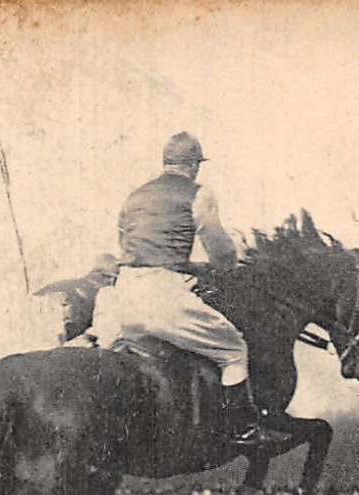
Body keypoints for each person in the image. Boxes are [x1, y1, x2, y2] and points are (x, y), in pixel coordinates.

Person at [90, 132, 286, 447]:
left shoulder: (134, 197)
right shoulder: (197, 193)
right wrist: (225, 265)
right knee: (234, 350)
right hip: (162, 296)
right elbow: (220, 253)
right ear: (194, 165)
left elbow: (133, 247)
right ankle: (244, 431)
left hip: (121, 296)